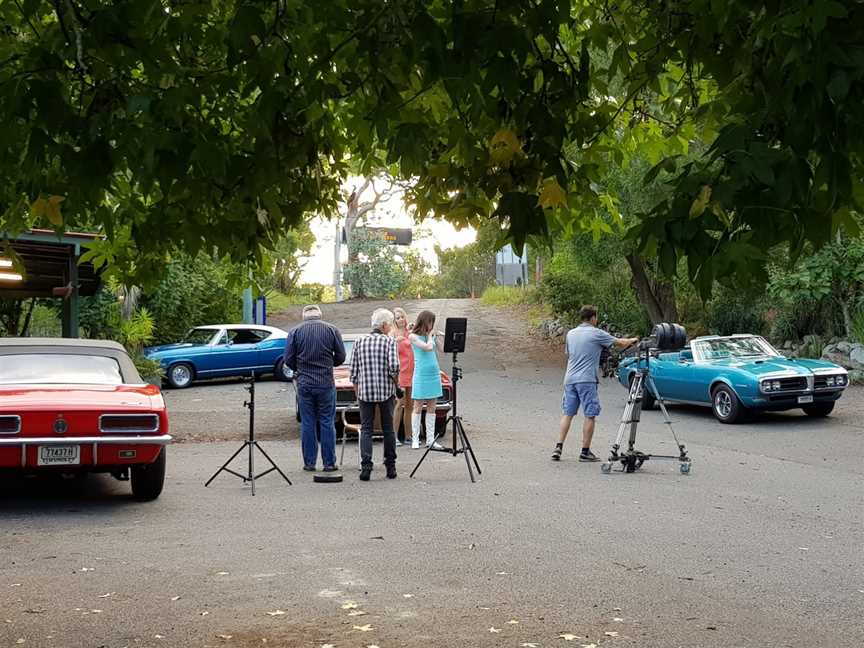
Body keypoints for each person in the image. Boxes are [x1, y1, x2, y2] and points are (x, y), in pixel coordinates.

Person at [553, 305, 638, 462]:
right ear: (592, 318)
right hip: (587, 379)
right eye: (596, 317)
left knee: (568, 413)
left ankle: (558, 447)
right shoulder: (596, 333)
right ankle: (585, 451)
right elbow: (620, 343)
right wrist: (634, 340)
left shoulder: (571, 334)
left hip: (570, 378)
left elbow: (569, 354)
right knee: (590, 415)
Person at [284, 305, 346, 472]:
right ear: (320, 315)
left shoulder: (295, 332)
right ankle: (329, 463)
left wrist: (301, 367)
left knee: (308, 422)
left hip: (305, 383)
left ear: (304, 316)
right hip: (325, 382)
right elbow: (341, 356)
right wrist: (327, 364)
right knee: (327, 421)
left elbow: (288, 359)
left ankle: (309, 463)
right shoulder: (332, 330)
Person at [351, 308, 400, 481]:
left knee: (366, 429)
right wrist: (396, 385)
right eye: (391, 324)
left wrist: (358, 392)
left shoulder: (359, 341)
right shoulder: (389, 342)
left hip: (365, 392)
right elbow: (394, 367)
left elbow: (353, 371)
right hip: (386, 392)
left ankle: (366, 467)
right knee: (388, 429)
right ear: (385, 325)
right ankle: (390, 466)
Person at [408, 310, 445, 450]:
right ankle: (415, 439)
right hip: (421, 375)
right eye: (430, 322)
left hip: (434, 374)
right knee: (417, 406)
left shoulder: (430, 336)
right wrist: (430, 336)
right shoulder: (413, 336)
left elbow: (442, 350)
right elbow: (428, 348)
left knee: (432, 407)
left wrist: (438, 336)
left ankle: (430, 439)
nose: (432, 325)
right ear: (424, 321)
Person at [391, 307, 413, 446]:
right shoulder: (393, 334)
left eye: (402, 317)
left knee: (410, 405)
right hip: (401, 372)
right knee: (399, 403)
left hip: (412, 370)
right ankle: (394, 436)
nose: (400, 320)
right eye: (397, 318)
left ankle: (408, 435)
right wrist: (395, 341)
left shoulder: (409, 331)